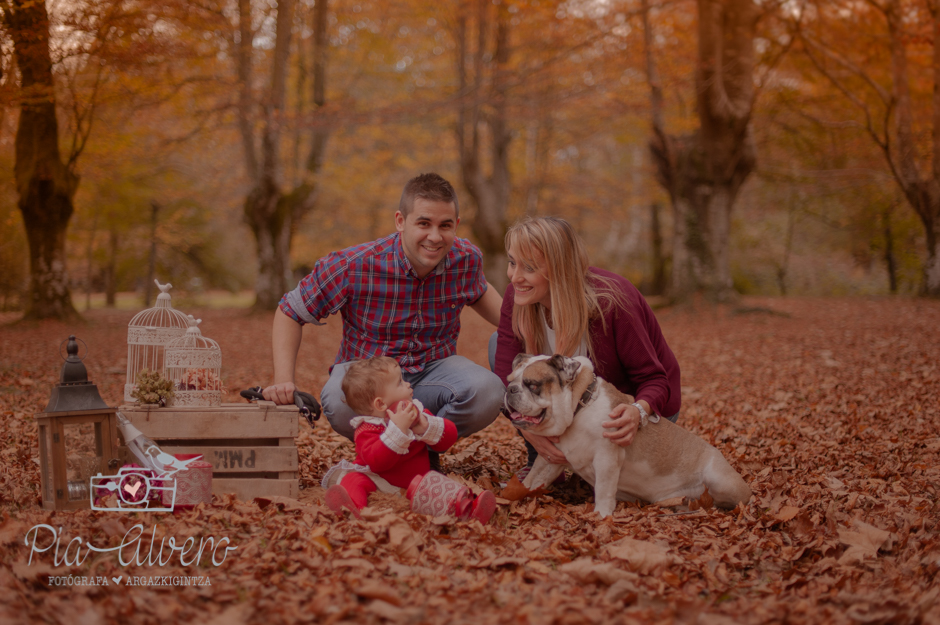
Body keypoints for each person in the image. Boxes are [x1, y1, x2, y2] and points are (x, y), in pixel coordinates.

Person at [263, 173, 504, 470]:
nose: (435, 236)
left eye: (445, 225)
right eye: (424, 223)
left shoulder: (466, 259)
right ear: (400, 221)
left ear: (456, 224)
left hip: (434, 371)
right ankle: (386, 450)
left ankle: (415, 451)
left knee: (489, 391)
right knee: (338, 400)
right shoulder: (352, 265)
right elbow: (290, 311)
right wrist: (283, 380)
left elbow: (484, 295)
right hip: (369, 373)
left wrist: (530, 326)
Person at [493, 216, 681, 479]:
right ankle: (541, 457)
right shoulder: (517, 297)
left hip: (635, 412)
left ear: (560, 269)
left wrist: (637, 412)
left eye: (530, 267)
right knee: (501, 352)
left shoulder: (613, 302)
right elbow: (503, 378)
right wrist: (530, 432)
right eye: (512, 263)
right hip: (576, 409)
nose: (515, 277)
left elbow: (655, 380)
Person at [321, 357, 496, 523]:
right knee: (353, 480)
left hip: (418, 484)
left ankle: (470, 509)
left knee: (444, 490)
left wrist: (425, 427)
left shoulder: (415, 414)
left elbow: (449, 437)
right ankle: (353, 510)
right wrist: (398, 430)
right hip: (378, 481)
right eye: (400, 383)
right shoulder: (367, 428)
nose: (408, 384)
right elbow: (377, 463)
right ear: (380, 404)